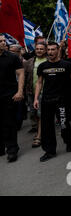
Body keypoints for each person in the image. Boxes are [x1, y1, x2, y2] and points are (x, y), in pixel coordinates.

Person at [34, 41, 71, 162]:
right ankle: (50, 151)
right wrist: (36, 98)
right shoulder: (43, 67)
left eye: (53, 49)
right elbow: (39, 83)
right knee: (47, 126)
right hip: (47, 100)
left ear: (58, 50)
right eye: (49, 50)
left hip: (62, 100)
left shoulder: (66, 65)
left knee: (64, 124)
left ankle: (68, 142)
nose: (50, 52)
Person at [0, 34, 24, 163]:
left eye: (4, 41)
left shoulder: (12, 57)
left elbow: (20, 73)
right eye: (1, 41)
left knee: (9, 123)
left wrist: (20, 91)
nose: (4, 43)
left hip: (9, 94)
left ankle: (12, 149)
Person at [24, 42, 47, 148]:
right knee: (33, 114)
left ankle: (39, 136)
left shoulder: (48, 61)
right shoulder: (29, 62)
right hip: (31, 92)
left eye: (41, 49)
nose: (39, 50)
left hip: (44, 92)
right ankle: (40, 130)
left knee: (40, 114)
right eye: (37, 49)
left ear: (45, 50)